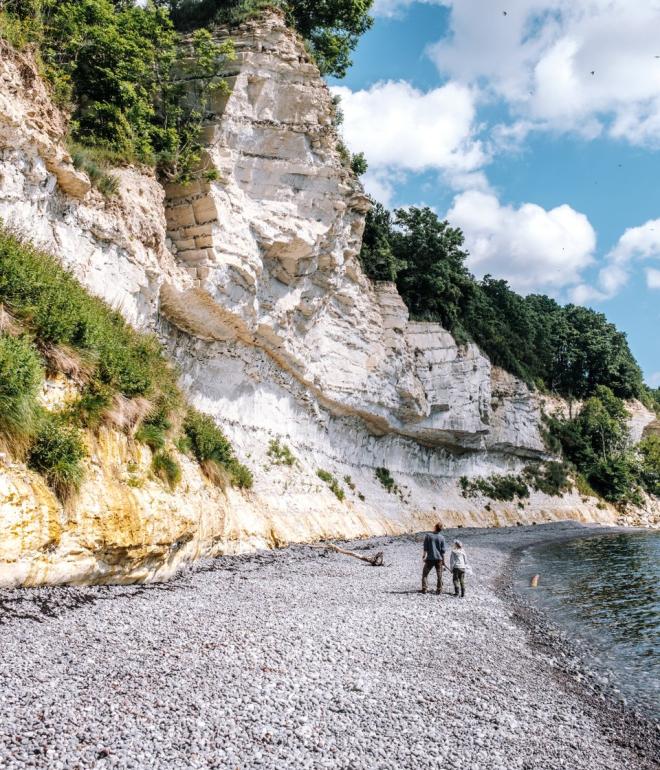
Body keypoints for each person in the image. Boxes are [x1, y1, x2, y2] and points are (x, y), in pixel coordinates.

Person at [421, 523, 446, 594]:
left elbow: (425, 547)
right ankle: (439, 589)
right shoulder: (442, 537)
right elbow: (443, 551)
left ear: (435, 527)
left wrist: (424, 555)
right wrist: (443, 561)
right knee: (439, 575)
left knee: (425, 574)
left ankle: (424, 588)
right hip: (439, 559)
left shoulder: (428, 536)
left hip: (430, 558)